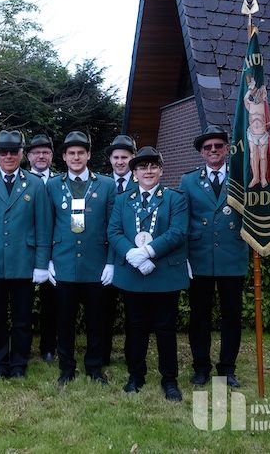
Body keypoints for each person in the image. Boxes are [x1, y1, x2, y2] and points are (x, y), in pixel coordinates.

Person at [0, 129, 51, 379]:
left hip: (23, 262)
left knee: (23, 320)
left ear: (21, 154)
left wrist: (41, 264)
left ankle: (18, 364)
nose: (8, 156)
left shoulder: (35, 184)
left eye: (13, 151)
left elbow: (43, 227)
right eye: (3, 151)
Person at [108, 146, 189, 401]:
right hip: (133, 274)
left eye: (154, 166)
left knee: (165, 328)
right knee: (135, 327)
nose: (149, 171)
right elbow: (114, 232)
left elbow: (178, 232)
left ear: (161, 170)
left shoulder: (175, 198)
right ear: (135, 173)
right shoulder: (123, 200)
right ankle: (136, 375)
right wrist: (131, 254)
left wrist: (148, 252)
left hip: (164, 274)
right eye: (143, 167)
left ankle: (169, 380)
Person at [179, 125, 248, 388]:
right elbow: (182, 221)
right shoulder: (188, 181)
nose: (213, 151)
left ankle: (228, 369)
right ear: (201, 152)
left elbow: (253, 214)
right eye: (207, 147)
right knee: (199, 317)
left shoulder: (241, 177)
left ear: (227, 149)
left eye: (218, 146)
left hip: (232, 256)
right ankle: (201, 368)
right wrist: (184, 257)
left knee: (232, 317)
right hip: (200, 258)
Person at [47, 131, 116, 386]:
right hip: (64, 263)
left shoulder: (106, 185)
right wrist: (48, 261)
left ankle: (94, 368)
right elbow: (47, 224)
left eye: (81, 152)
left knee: (96, 322)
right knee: (64, 321)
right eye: (71, 153)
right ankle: (66, 368)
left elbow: (113, 226)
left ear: (88, 155)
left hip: (96, 265)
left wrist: (110, 261)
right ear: (64, 157)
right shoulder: (52, 185)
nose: (76, 157)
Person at [101, 134, 138, 366]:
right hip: (104, 257)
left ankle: (131, 355)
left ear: (132, 158)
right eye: (116, 157)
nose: (120, 162)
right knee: (104, 311)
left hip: (131, 256)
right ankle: (103, 354)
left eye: (125, 157)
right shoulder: (101, 184)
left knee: (133, 313)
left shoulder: (143, 182)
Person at [26, 133, 59, 363]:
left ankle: (48, 346)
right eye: (36, 152)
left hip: (54, 251)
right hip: (25, 250)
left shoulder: (60, 182)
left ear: (52, 156)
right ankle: (23, 346)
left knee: (52, 302)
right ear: (28, 156)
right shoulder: (21, 180)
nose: (41, 156)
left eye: (45, 152)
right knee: (23, 303)